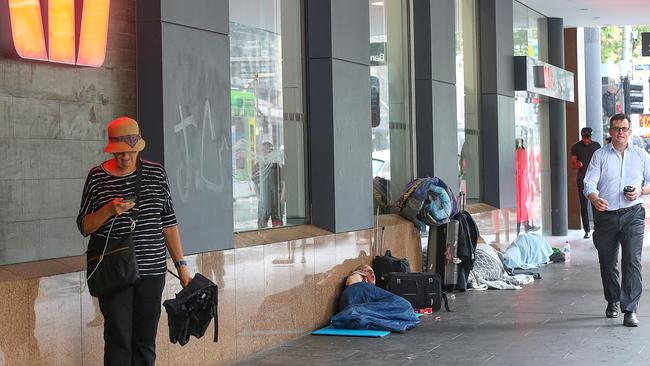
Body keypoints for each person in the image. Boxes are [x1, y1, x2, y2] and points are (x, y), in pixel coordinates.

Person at [77, 117, 191, 365]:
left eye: (130, 152)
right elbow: (85, 226)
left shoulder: (156, 173)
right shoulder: (97, 177)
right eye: (119, 153)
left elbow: (168, 224)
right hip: (115, 271)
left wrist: (182, 267)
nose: (125, 157)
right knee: (118, 338)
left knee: (144, 340)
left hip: (152, 271)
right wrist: (108, 210)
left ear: (138, 148)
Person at [583, 113, 650, 327]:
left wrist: (640, 190)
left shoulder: (641, 155)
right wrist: (594, 198)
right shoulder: (600, 155)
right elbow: (589, 182)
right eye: (616, 128)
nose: (620, 132)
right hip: (606, 216)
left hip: (633, 214)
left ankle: (630, 309)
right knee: (608, 262)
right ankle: (612, 299)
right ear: (610, 131)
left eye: (624, 128)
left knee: (632, 261)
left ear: (629, 132)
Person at [570, 127, 601, 239]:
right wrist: (577, 164)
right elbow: (573, 163)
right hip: (582, 179)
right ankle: (587, 230)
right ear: (581, 136)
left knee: (595, 203)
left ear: (591, 137)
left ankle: (597, 228)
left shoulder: (597, 146)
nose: (586, 140)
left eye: (588, 137)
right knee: (583, 205)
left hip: (595, 179)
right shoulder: (576, 147)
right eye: (584, 137)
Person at [252, 141, 286, 228]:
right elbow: (255, 184)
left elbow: (284, 183)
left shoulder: (277, 166)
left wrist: (281, 199)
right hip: (264, 202)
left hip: (276, 201)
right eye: (263, 151)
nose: (265, 153)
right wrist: (260, 199)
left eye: (267, 151)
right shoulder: (257, 166)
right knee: (261, 227)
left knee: (278, 226)